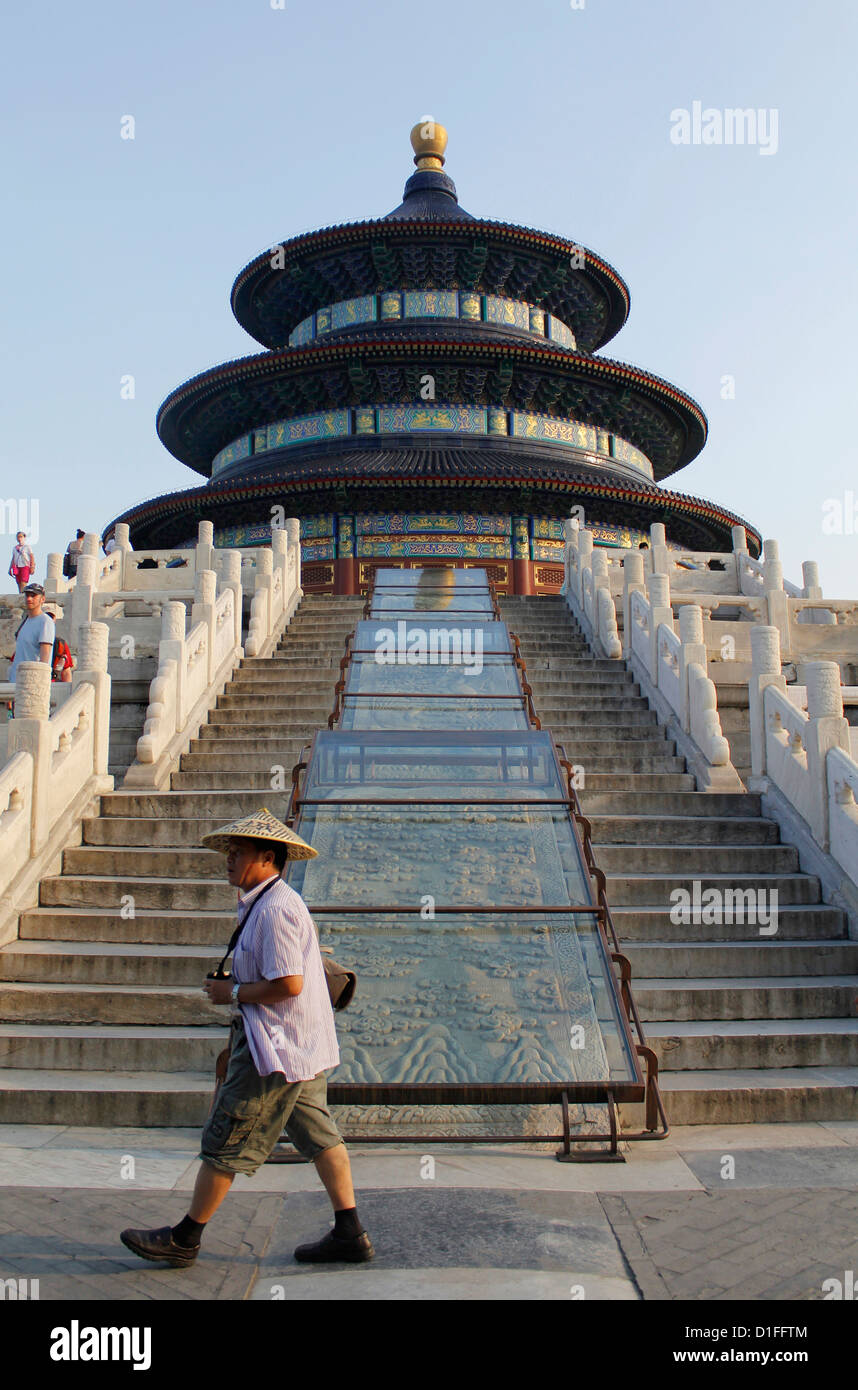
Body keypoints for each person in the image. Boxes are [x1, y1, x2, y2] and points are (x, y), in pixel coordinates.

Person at [119, 808, 374, 1269]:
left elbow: (289, 984)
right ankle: (349, 1231)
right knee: (319, 1135)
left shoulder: (275, 909)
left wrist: (231, 992)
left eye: (239, 853)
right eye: (230, 852)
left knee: (228, 1136)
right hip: (298, 1046)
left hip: (273, 1051)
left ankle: (185, 1237)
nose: (230, 860)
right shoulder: (265, 902)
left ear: (267, 858)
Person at [9, 583, 55, 682]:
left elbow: (45, 654)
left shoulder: (45, 621)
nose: (29, 599)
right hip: (16, 680)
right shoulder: (26, 621)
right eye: (27, 595)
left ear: (42, 599)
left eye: (33, 596)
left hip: (32, 681)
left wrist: (41, 679)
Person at [44, 605, 73, 683]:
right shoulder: (27, 639)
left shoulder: (60, 644)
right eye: (45, 617)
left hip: (50, 684)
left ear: (54, 620)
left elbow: (66, 671)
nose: (48, 620)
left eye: (50, 617)